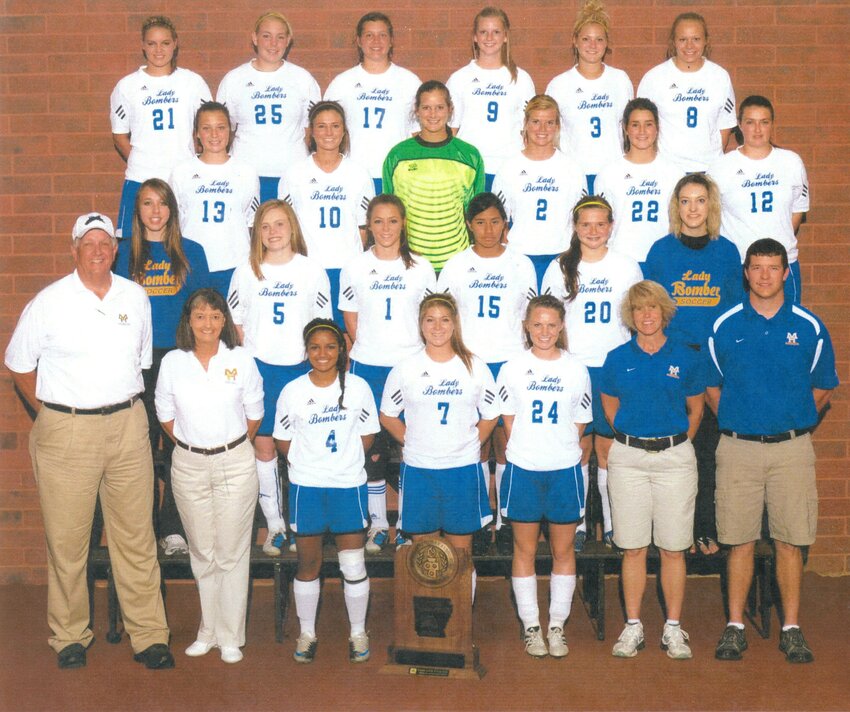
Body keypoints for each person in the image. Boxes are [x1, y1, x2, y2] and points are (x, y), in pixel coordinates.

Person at [5, 212, 173, 670]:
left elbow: (139, 363)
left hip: (127, 425)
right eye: (88, 242)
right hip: (67, 430)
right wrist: (55, 414)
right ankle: (69, 636)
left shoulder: (135, 297)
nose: (98, 250)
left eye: (105, 242)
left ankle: (150, 636)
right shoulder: (50, 301)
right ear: (73, 248)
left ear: (115, 250)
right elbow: (19, 364)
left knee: (137, 536)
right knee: (68, 541)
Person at [707, 239, 838, 664]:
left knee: (790, 539)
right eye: (757, 267)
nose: (765, 276)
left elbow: (822, 388)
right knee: (739, 540)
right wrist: (738, 418)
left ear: (786, 273)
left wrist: (794, 421)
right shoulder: (724, 324)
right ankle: (735, 627)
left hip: (792, 449)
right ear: (746, 272)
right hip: (738, 447)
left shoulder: (809, 326)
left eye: (773, 268)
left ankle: (792, 628)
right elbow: (711, 387)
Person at [154, 288, 263, 664]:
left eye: (215, 316)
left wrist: (225, 447)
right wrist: (195, 446)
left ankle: (230, 636)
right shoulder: (172, 362)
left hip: (235, 462)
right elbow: (165, 414)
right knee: (202, 551)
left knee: (232, 551)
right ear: (188, 321)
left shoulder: (241, 360)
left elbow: (254, 414)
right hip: (188, 465)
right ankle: (208, 630)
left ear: (224, 321)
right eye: (200, 316)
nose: (208, 323)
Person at [601, 280, 706, 660]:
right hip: (628, 459)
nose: (646, 316)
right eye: (639, 309)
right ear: (630, 316)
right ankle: (633, 627)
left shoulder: (685, 356)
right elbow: (610, 402)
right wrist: (633, 436)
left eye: (653, 308)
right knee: (632, 549)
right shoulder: (616, 358)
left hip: (674, 459)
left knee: (674, 548)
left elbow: (696, 409)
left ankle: (673, 629)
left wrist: (673, 443)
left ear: (664, 312)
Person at [644, 174, 743, 554]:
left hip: (714, 363)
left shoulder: (727, 251)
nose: (693, 209)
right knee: (672, 449)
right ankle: (669, 533)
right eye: (685, 201)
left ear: (711, 205)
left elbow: (734, 313)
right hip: (675, 361)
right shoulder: (660, 251)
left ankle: (705, 527)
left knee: (708, 452)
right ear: (675, 206)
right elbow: (650, 310)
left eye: (700, 200)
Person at [227, 200, 331, 556]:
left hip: (302, 367)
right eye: (265, 226)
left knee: (303, 444)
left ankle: (309, 520)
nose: (273, 232)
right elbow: (235, 322)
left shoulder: (311, 271)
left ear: (292, 228)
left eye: (280, 224)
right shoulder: (246, 271)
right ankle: (274, 525)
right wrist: (249, 362)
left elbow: (322, 325)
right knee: (266, 445)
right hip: (261, 367)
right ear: (257, 232)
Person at [114, 178, 211, 556]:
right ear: (137, 212)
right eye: (147, 204)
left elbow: (204, 310)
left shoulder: (193, 252)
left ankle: (172, 529)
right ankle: (143, 532)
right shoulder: (123, 255)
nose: (156, 212)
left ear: (172, 209)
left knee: (176, 448)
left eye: (163, 203)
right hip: (137, 364)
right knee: (138, 449)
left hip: (178, 359)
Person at [273, 319, 379, 664]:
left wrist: (342, 464)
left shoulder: (359, 387)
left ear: (341, 351)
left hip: (347, 485)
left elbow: (367, 436)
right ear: (306, 351)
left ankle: (358, 632)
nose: (323, 353)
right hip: (307, 487)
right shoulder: (292, 391)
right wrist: (311, 465)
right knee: (308, 563)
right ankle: (307, 633)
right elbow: (282, 441)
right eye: (315, 347)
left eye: (330, 346)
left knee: (353, 564)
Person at [541, 195, 642, 551]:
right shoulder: (559, 267)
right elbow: (549, 317)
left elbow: (637, 317)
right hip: (574, 365)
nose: (594, 231)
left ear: (611, 226)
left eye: (601, 224)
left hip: (613, 365)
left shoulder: (627, 266)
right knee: (578, 446)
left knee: (610, 447)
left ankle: (615, 525)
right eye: (586, 224)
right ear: (575, 228)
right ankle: (579, 523)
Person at [438, 193, 537, 553]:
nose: (488, 229)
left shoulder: (521, 264)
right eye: (480, 222)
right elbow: (446, 315)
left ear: (505, 223)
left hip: (510, 360)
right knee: (474, 442)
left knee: (508, 442)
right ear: (468, 225)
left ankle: (507, 517)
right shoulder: (455, 265)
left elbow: (529, 316)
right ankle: (480, 518)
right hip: (471, 362)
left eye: (495, 221)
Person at [339, 195, 437, 552]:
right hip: (369, 365)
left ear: (403, 224)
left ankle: (411, 523)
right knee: (374, 449)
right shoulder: (355, 267)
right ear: (368, 227)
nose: (385, 229)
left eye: (392, 221)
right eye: (378, 222)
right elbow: (351, 320)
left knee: (413, 444)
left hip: (411, 365)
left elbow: (430, 316)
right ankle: (378, 523)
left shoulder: (422, 268)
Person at [497, 295, 592, 658]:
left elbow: (581, 422)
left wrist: (558, 446)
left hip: (564, 468)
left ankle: (557, 625)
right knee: (524, 549)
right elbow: (508, 420)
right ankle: (531, 626)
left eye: (552, 324)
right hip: (524, 467)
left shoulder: (575, 368)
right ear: (526, 326)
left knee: (563, 549)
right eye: (537, 324)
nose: (545, 331)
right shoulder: (512, 367)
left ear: (562, 326)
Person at [380, 294, 499, 565]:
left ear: (455, 324)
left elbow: (491, 414)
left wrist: (471, 443)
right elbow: (388, 415)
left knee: (461, 554)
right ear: (420, 325)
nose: (437, 327)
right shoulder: (406, 368)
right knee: (425, 553)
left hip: (462, 469)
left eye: (445, 320)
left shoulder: (474, 366)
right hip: (420, 468)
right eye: (430, 320)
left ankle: (462, 610)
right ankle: (428, 608)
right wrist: (410, 441)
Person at [110, 15, 211, 238]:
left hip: (182, 178)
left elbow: (209, 127)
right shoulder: (127, 86)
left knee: (183, 244)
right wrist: (142, 161)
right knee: (132, 248)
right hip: (141, 178)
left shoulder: (192, 83)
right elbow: (119, 135)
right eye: (152, 43)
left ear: (175, 44)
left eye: (165, 43)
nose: (158, 50)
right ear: (143, 46)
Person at [281, 101, 374, 329]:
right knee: (312, 334)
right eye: (321, 126)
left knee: (349, 333)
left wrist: (351, 261)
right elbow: (286, 228)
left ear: (344, 131)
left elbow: (364, 229)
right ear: (311, 131)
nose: (329, 133)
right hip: (308, 267)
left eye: (335, 126)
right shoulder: (295, 174)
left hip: (347, 267)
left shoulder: (359, 174)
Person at [708, 95, 809, 303]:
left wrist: (778, 245)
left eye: (764, 122)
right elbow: (711, 217)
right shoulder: (721, 167)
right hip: (738, 265)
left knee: (786, 331)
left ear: (772, 124)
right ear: (739, 125)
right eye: (750, 122)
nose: (757, 129)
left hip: (782, 263)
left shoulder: (791, 162)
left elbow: (798, 208)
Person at [216, 11, 321, 202]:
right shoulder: (234, 80)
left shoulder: (302, 79)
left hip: (292, 174)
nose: (273, 44)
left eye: (280, 37)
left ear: (288, 40)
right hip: (246, 174)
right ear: (255, 38)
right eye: (266, 36)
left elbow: (310, 132)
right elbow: (224, 132)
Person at [383, 81, 485, 271]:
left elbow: (476, 214)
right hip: (411, 262)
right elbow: (389, 213)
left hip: (456, 262)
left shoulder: (470, 155)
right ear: (417, 111)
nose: (433, 114)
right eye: (426, 108)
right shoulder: (397, 155)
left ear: (450, 110)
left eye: (439, 107)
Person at [491, 95, 585, 290]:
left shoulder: (572, 169)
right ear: (525, 124)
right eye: (536, 122)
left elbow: (582, 219)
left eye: (549, 122)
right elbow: (498, 220)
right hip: (520, 256)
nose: (542, 129)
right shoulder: (509, 169)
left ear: (558, 126)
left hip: (561, 256)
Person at [169, 101, 260, 298]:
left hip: (234, 263)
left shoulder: (246, 173)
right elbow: (173, 223)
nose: (214, 135)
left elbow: (251, 224)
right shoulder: (181, 173)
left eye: (221, 127)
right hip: (192, 264)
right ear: (197, 134)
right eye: (206, 128)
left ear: (230, 131)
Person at [324, 12, 422, 194]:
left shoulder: (410, 82)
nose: (376, 41)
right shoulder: (342, 83)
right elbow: (324, 130)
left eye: (382, 35)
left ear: (391, 40)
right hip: (353, 174)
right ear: (359, 41)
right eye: (369, 35)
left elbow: (419, 134)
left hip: (397, 174)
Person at [544, 0, 633, 194]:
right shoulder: (559, 85)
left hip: (613, 171)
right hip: (573, 173)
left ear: (607, 43)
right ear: (575, 41)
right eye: (586, 39)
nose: (593, 45)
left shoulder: (620, 80)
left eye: (599, 39)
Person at [446, 7, 536, 189]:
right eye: (483, 32)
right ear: (475, 37)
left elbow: (528, 129)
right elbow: (451, 130)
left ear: (505, 36)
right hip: (470, 166)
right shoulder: (460, 78)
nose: (489, 38)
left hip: (509, 165)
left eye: (496, 32)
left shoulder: (521, 79)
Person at [637, 12, 736, 173]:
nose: (689, 46)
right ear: (673, 42)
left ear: (706, 41)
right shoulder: (654, 78)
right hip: (668, 170)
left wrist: (711, 159)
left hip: (710, 169)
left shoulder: (719, 77)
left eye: (696, 39)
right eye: (683, 39)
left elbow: (725, 125)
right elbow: (642, 125)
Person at [595, 98, 684, 269]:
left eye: (648, 124)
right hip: (621, 259)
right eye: (635, 124)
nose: (642, 131)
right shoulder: (608, 174)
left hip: (663, 259)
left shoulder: (675, 173)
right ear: (625, 128)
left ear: (657, 128)